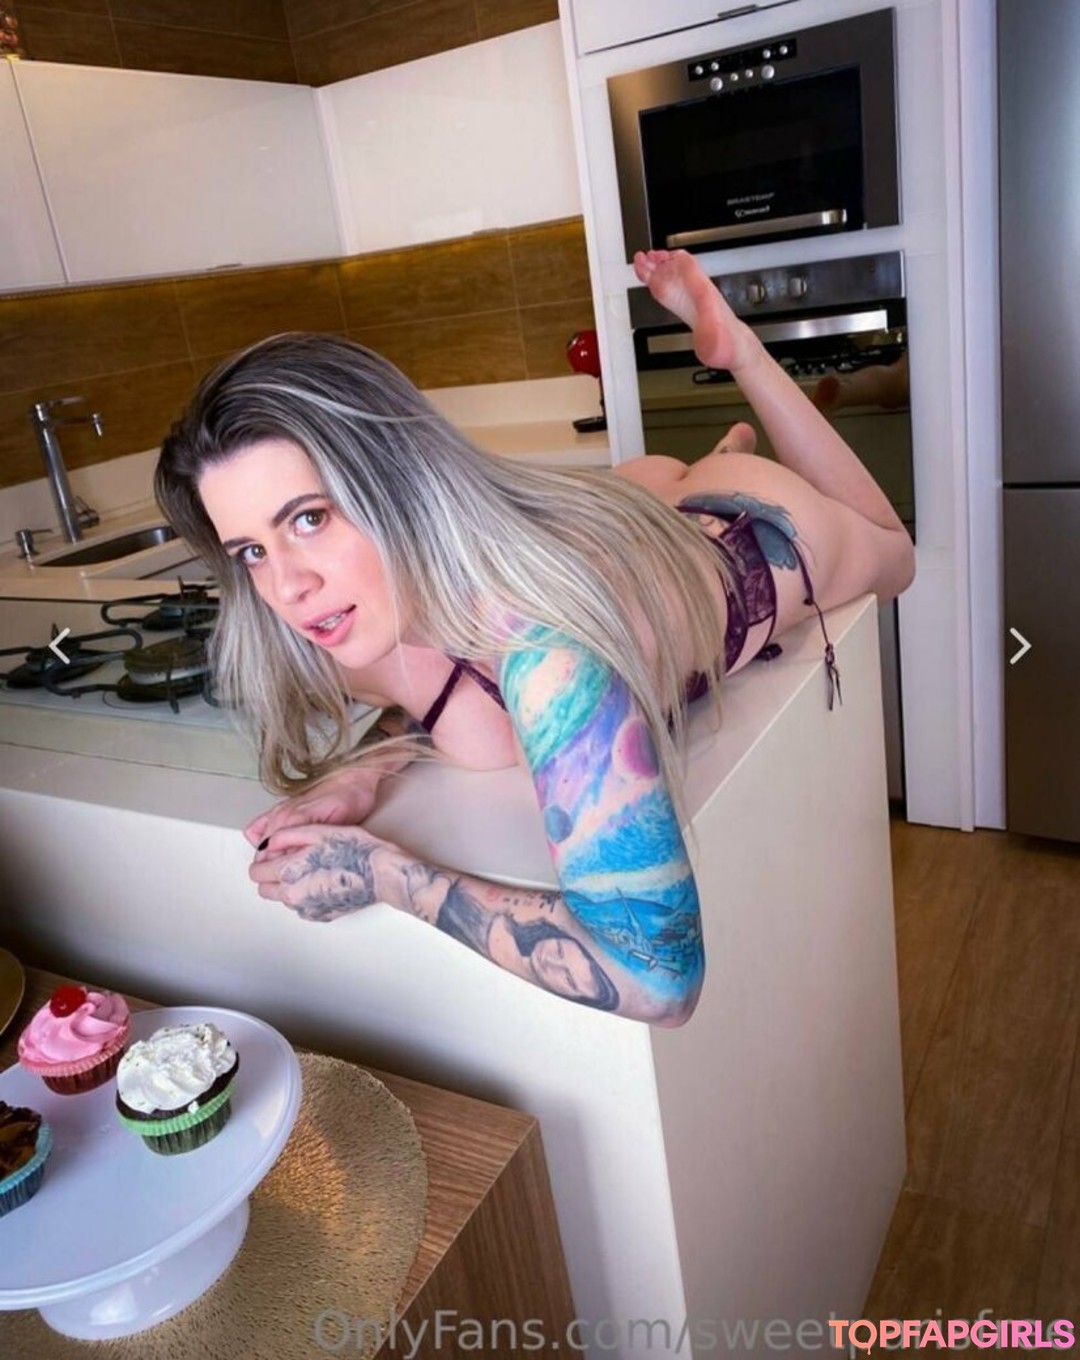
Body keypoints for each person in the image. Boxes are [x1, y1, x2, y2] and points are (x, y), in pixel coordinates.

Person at [155, 248, 915, 1027]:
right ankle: (721, 452)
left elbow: (660, 978)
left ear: (401, 481)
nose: (286, 587)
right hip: (623, 515)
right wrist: (369, 766)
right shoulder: (358, 616)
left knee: (893, 550)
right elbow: (447, 696)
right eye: (251, 551)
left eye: (309, 518)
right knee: (665, 505)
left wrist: (383, 873)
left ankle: (740, 359)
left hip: (748, 533)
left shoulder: (549, 653)